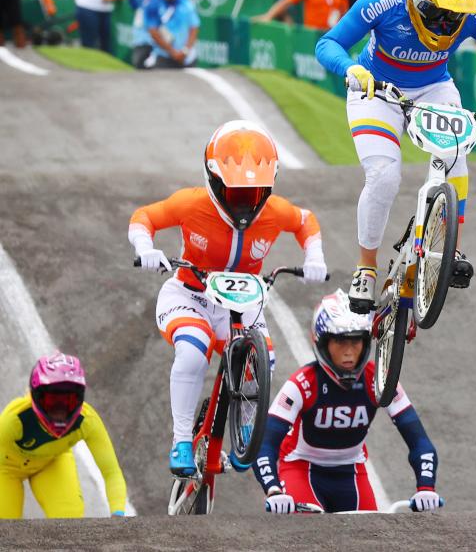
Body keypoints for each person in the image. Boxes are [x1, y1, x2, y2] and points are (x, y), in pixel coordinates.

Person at [315, 0, 476, 313]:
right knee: (384, 176)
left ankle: (451, 248)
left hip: (433, 88)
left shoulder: (474, 13)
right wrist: (350, 68)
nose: (448, 21)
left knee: (457, 158)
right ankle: (365, 267)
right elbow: (329, 43)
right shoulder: (384, 1)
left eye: (456, 13)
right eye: (438, 11)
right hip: (376, 89)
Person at [129, 121, 329, 475]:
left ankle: (245, 426)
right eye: (236, 194)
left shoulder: (274, 211)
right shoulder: (191, 203)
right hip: (189, 296)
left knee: (263, 358)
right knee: (193, 350)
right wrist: (145, 248)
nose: (244, 205)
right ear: (215, 181)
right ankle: (180, 441)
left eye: (253, 195)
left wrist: (315, 258)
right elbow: (144, 217)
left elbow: (305, 221)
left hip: (242, 302)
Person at [255, 291, 441, 514]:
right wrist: (274, 490)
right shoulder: (301, 384)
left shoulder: (379, 379)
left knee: (370, 539)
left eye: (356, 341)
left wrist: (426, 487)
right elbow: (264, 446)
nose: (349, 352)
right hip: (300, 469)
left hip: (352, 473)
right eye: (340, 341)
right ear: (323, 343)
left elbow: (419, 441)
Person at [0, 353, 128, 518]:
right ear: (36, 397)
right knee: (5, 533)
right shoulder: (14, 420)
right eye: (51, 402)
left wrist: (118, 515)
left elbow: (111, 472)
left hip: (51, 462)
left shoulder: (87, 420)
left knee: (70, 525)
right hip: (5, 469)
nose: (59, 413)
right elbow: (112, 473)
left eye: (68, 402)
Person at [143, 0, 199, 68]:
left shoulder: (186, 4)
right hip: (163, 56)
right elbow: (153, 31)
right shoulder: (153, 4)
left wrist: (185, 50)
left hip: (187, 57)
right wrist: (172, 52)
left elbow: (194, 28)